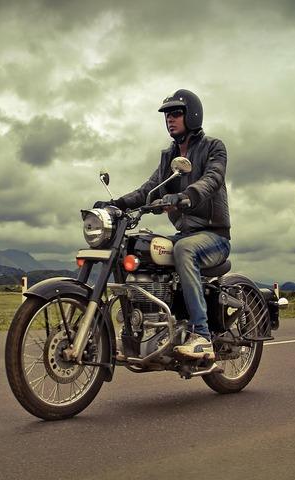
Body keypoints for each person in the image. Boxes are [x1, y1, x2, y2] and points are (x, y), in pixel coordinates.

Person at [94, 89, 231, 363]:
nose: (170, 119)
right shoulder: (169, 157)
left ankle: (202, 336)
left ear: (191, 115)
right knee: (138, 248)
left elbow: (212, 179)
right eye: (167, 115)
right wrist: (118, 204)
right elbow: (149, 189)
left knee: (183, 250)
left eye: (176, 113)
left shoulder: (214, 147)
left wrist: (187, 196)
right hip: (184, 234)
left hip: (213, 236)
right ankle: (138, 330)